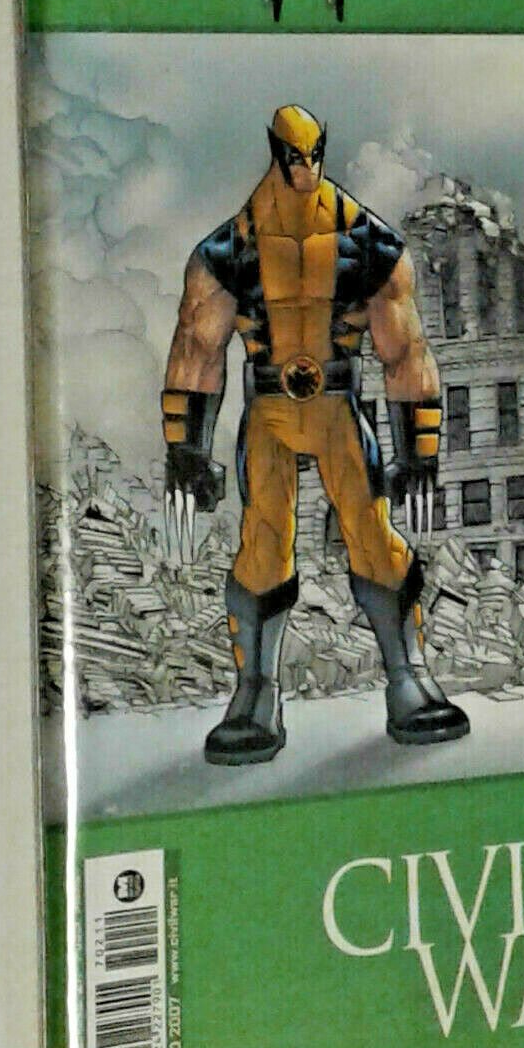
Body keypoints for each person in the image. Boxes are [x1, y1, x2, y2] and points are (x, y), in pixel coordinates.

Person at [161, 104, 470, 765]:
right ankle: (255, 692)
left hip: (336, 406)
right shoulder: (229, 250)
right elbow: (198, 344)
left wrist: (418, 448)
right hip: (270, 409)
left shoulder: (369, 243)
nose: (304, 166)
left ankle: (410, 679)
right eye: (293, 155)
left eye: (313, 153)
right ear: (276, 153)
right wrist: (186, 448)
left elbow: (404, 348)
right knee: (262, 545)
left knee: (374, 535)